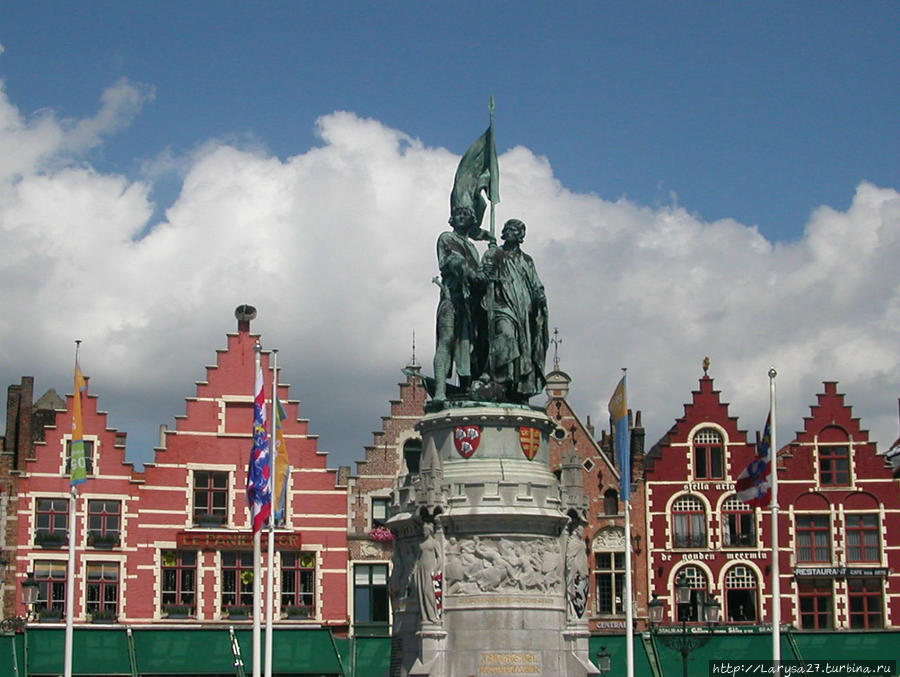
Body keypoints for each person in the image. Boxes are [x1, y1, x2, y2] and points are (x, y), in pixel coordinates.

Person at [479, 219, 549, 402]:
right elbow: (480, 279)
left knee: (523, 348)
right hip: (501, 304)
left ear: (521, 235)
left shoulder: (526, 260)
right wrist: (486, 272)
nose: (510, 232)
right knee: (506, 335)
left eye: (515, 230)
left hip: (524, 310)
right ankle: (499, 379)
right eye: (507, 229)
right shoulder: (494, 254)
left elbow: (535, 284)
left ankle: (516, 385)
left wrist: (539, 296)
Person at [432, 206, 494, 402]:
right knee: (447, 340)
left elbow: (479, 276)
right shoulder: (446, 238)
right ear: (452, 219)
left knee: (469, 346)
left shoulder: (474, 248)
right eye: (457, 214)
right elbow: (452, 261)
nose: (460, 216)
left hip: (470, 303)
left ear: (472, 221)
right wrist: (474, 275)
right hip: (452, 297)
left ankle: (469, 386)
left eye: (465, 214)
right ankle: (440, 391)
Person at [415, 522, 442, 623]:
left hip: (429, 569)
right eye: (423, 530)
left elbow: (439, 557)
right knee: (422, 592)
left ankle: (433, 615)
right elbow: (417, 559)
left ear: (430, 531)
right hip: (421, 570)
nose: (423, 532)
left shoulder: (434, 543)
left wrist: (436, 569)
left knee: (428, 592)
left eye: (425, 530)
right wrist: (415, 570)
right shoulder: (421, 544)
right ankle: (425, 616)